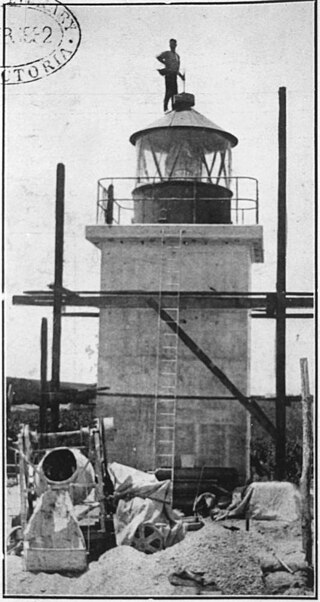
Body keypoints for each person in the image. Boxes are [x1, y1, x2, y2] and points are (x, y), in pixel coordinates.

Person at [156, 39, 185, 112]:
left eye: (173, 44)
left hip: (174, 75)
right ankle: (165, 108)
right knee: (169, 91)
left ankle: (174, 107)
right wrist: (165, 63)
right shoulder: (167, 53)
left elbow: (177, 69)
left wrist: (181, 76)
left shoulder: (177, 56)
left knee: (175, 92)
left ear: (176, 45)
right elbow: (158, 57)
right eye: (170, 44)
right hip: (169, 74)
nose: (172, 46)